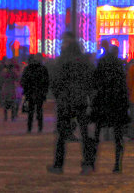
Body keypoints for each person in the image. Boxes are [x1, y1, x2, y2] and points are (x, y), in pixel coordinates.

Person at [48, 37, 93, 175]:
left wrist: (58, 96)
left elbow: (55, 81)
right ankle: (87, 163)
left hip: (65, 101)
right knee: (85, 134)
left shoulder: (61, 61)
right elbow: (91, 81)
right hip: (80, 100)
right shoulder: (85, 62)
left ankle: (58, 165)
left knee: (61, 135)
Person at [84, 44, 131, 174]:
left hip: (102, 104)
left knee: (96, 135)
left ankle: (92, 162)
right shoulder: (119, 69)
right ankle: (117, 164)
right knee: (118, 137)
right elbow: (123, 89)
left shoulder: (101, 66)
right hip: (116, 105)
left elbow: (94, 84)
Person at [20, 53, 50, 133]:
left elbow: (23, 81)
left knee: (31, 111)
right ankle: (40, 127)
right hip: (39, 92)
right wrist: (44, 91)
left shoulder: (28, 68)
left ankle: (29, 128)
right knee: (39, 110)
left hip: (30, 92)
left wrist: (26, 90)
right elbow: (46, 82)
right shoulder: (43, 69)